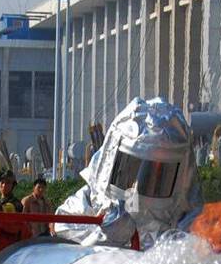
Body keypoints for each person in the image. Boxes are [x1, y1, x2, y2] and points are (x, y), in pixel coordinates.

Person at [54, 96, 203, 247]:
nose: (136, 189)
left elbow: (195, 256)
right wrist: (103, 236)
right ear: (110, 162)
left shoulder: (192, 225)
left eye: (158, 176)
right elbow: (68, 246)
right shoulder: (86, 204)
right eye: (131, 170)